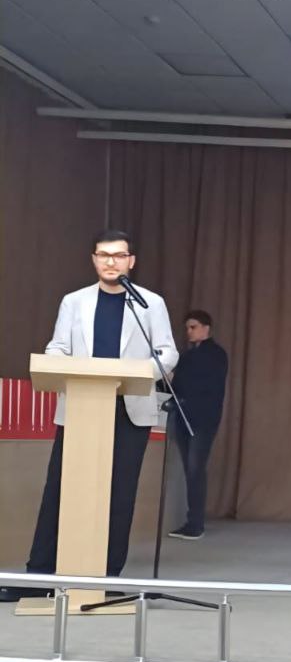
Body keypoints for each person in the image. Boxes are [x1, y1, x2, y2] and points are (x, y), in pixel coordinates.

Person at [0, 230, 178, 602]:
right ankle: (38, 576)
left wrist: (139, 372)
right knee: (59, 491)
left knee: (120, 495)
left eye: (119, 255)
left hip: (130, 410)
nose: (111, 261)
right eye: (103, 255)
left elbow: (167, 352)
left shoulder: (149, 303)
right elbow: (57, 347)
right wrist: (63, 365)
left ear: (131, 261)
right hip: (81, 409)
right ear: (94, 260)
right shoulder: (74, 301)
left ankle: (106, 577)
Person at [167, 310, 229, 541]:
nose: (189, 332)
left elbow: (203, 385)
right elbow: (177, 386)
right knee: (189, 470)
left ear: (206, 328)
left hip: (202, 420)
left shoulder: (216, 354)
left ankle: (196, 524)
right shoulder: (187, 356)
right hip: (183, 417)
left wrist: (176, 378)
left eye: (193, 327)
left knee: (195, 469)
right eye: (187, 328)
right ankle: (192, 521)